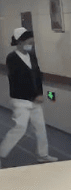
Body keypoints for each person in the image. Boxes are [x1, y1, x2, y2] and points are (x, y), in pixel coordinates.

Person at [0, 27, 57, 167]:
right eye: (29, 42)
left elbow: (37, 76)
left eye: (32, 43)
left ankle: (43, 155)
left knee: (40, 128)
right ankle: (2, 152)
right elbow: (17, 81)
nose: (31, 45)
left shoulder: (32, 56)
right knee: (20, 127)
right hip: (21, 100)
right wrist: (33, 95)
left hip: (35, 100)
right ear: (20, 42)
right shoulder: (12, 58)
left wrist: (40, 93)